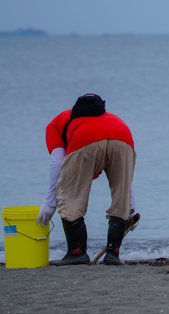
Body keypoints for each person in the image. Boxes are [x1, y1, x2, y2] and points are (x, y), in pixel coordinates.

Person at [36, 93, 137, 266]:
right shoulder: (112, 120)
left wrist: (50, 202)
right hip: (123, 137)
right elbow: (123, 182)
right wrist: (131, 207)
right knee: (121, 197)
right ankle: (113, 254)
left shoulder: (55, 125)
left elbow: (58, 162)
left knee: (69, 195)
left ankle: (77, 253)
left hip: (86, 140)